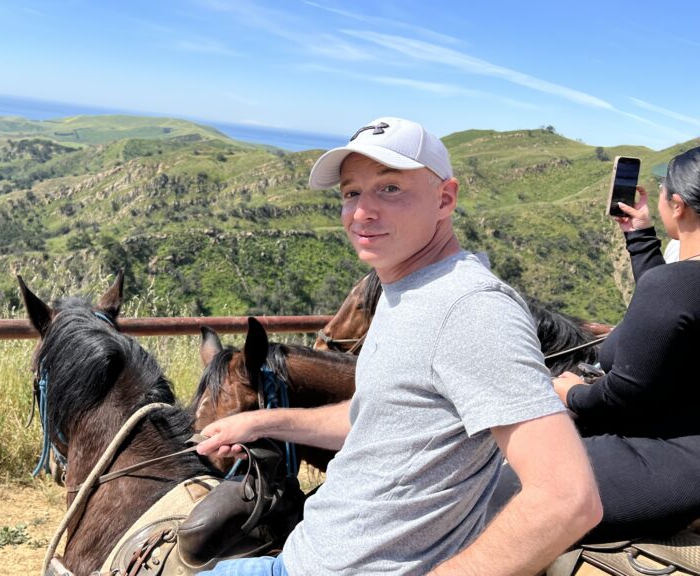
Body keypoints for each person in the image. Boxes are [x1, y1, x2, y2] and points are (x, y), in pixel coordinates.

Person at [195, 117, 601, 576]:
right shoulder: (404, 288)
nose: (361, 212)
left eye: (389, 189)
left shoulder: (470, 310)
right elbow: (377, 416)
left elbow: (567, 497)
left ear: (445, 198)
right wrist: (258, 422)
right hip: (305, 556)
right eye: (351, 193)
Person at [491, 145, 700, 541]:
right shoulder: (679, 286)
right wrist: (639, 237)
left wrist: (571, 393)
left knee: (493, 492)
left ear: (677, 204)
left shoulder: (673, 287)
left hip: (671, 456)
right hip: (680, 431)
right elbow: (674, 308)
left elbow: (622, 397)